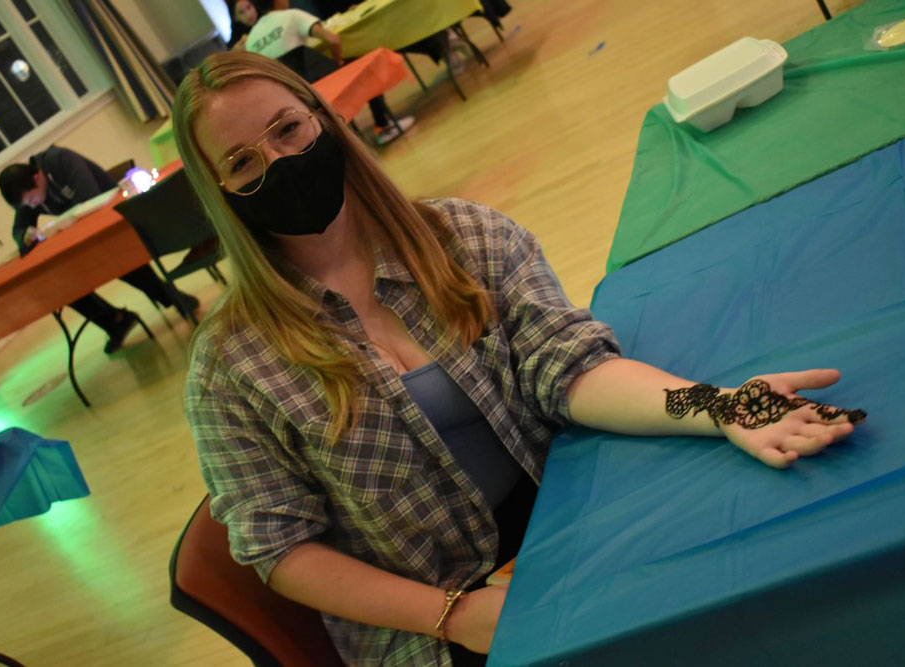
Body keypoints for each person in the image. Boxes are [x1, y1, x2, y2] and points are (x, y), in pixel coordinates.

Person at [176, 50, 865, 666]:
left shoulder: (465, 236)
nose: (278, 161)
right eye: (241, 162)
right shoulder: (229, 369)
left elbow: (569, 367)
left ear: (325, 120)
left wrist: (716, 405)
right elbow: (281, 549)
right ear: (219, 193)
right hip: (431, 613)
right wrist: (452, 615)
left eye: (287, 129)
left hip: (568, 518)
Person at [0, 147, 200, 353]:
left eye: (32, 200)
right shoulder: (30, 191)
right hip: (81, 239)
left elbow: (90, 198)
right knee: (60, 282)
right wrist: (24, 235)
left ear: (38, 177)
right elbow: (20, 227)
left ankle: (172, 296)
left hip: (114, 225)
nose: (32, 206)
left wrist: (60, 227)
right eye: (28, 204)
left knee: (111, 260)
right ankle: (114, 321)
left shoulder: (60, 160)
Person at [232, 0, 416, 146]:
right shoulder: (291, 15)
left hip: (293, 97)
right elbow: (333, 39)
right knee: (364, 60)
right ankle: (383, 126)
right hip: (321, 88)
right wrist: (338, 61)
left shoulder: (251, 41)